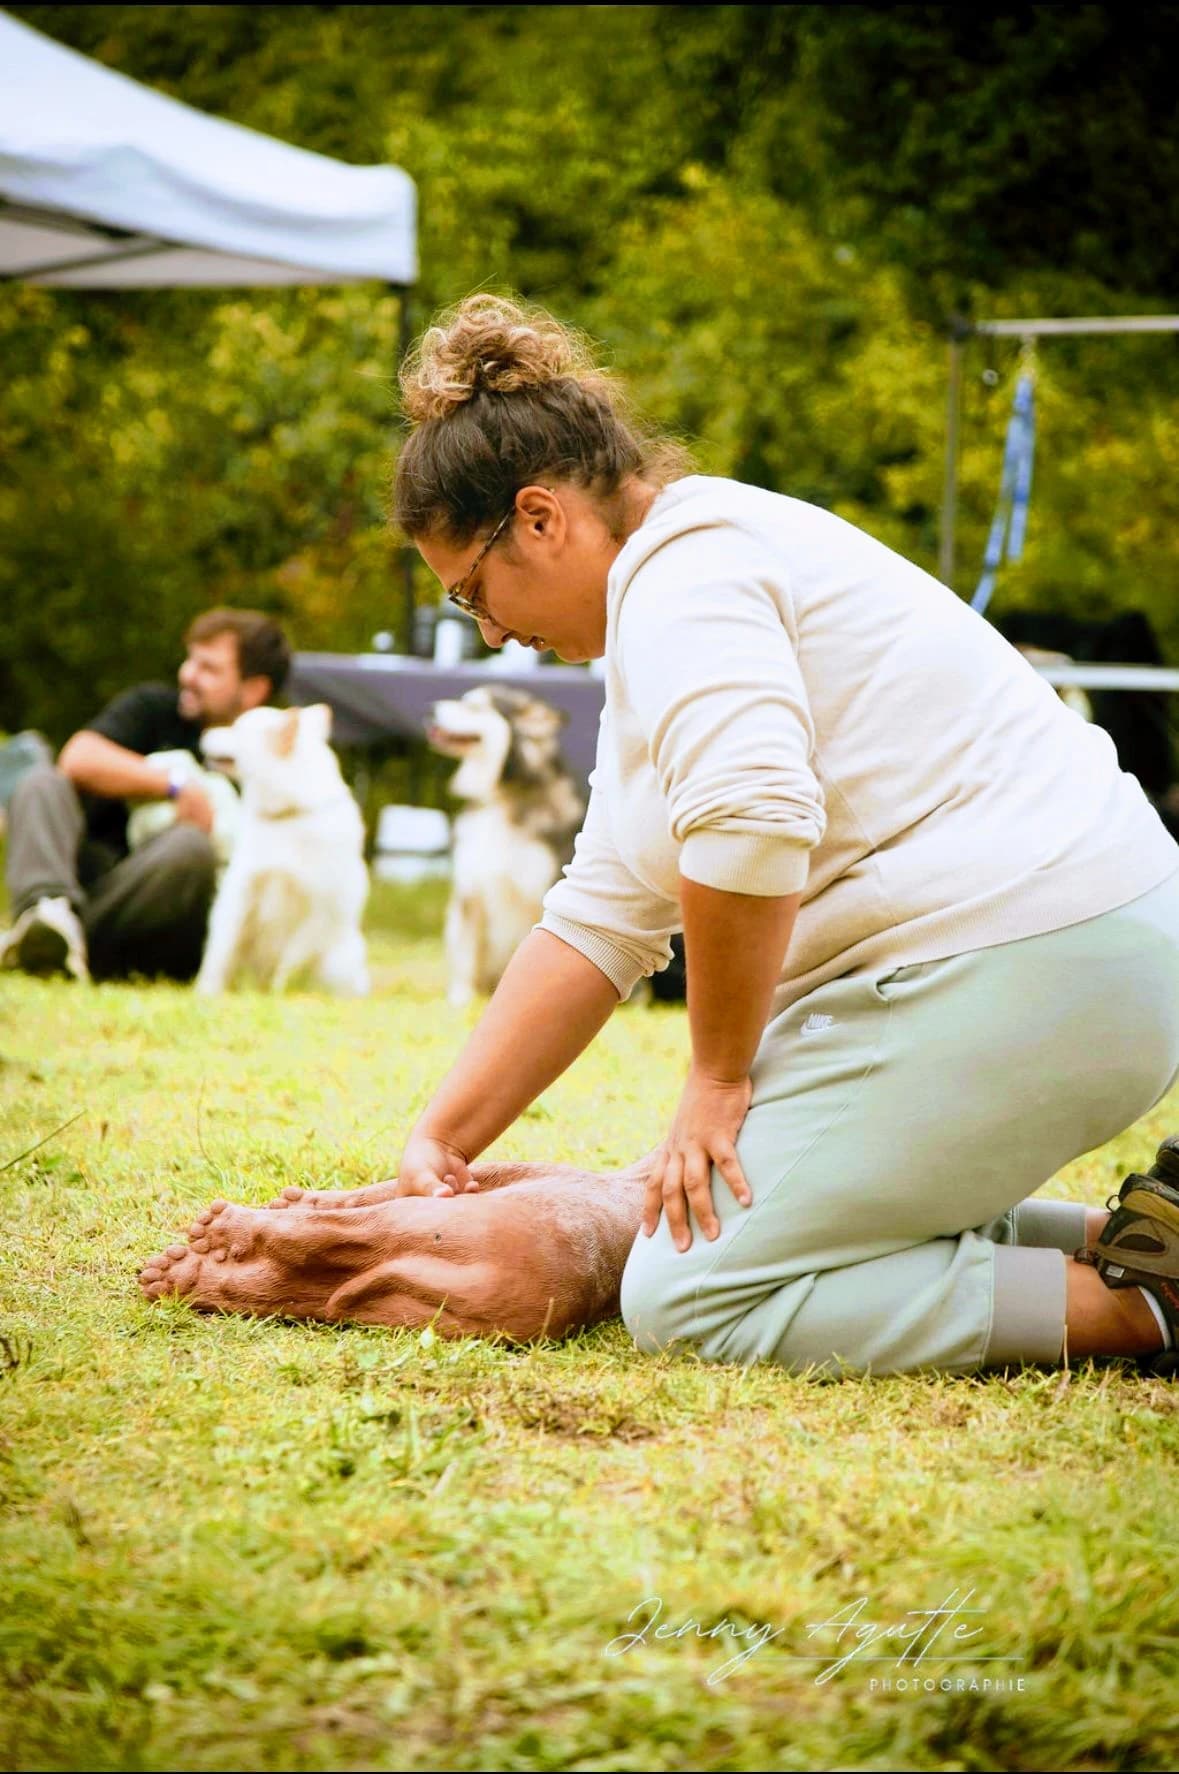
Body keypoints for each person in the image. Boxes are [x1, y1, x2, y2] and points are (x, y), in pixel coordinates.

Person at [141, 295, 1179, 1379]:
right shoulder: (679, 584)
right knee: (739, 1229)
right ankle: (1142, 1246)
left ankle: (1145, 1314)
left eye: (474, 591)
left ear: (539, 517)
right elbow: (601, 916)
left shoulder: (687, 574)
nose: (492, 631)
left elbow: (753, 819)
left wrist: (718, 1079)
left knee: (697, 1290)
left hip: (1036, 955)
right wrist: (442, 1138)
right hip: (1078, 945)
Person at [2, 607, 290, 984]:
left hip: (171, 928)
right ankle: (46, 914)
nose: (189, 675)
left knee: (190, 848)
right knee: (42, 781)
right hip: (95, 880)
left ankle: (51, 942)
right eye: (191, 660)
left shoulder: (274, 763)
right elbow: (78, 758)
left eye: (209, 669)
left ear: (253, 689)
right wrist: (175, 785)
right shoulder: (155, 708)